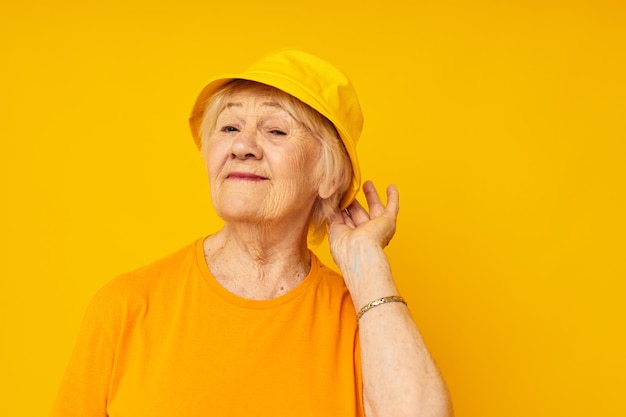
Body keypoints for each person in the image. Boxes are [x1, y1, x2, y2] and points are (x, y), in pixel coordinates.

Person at [51, 49, 453, 417]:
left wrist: (368, 265)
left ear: (327, 176)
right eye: (228, 128)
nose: (243, 145)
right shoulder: (126, 306)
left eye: (276, 131)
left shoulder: (361, 320)